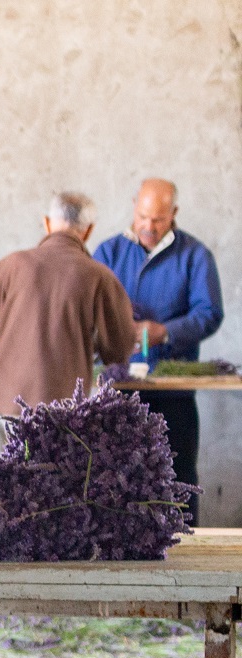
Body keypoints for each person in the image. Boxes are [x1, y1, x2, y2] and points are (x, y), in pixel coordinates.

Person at [94, 178, 224, 523]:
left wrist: (165, 331)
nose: (149, 227)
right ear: (134, 206)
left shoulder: (195, 256)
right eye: (143, 216)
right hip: (117, 391)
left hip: (174, 392)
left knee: (177, 478)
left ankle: (185, 555)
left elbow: (209, 314)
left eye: (159, 220)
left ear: (174, 214)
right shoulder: (108, 253)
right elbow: (88, 310)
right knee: (114, 480)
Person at [0, 191, 136, 457]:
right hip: (63, 412)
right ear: (88, 231)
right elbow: (118, 349)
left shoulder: (13, 264)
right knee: (54, 494)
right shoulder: (99, 276)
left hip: (2, 403)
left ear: (47, 223)